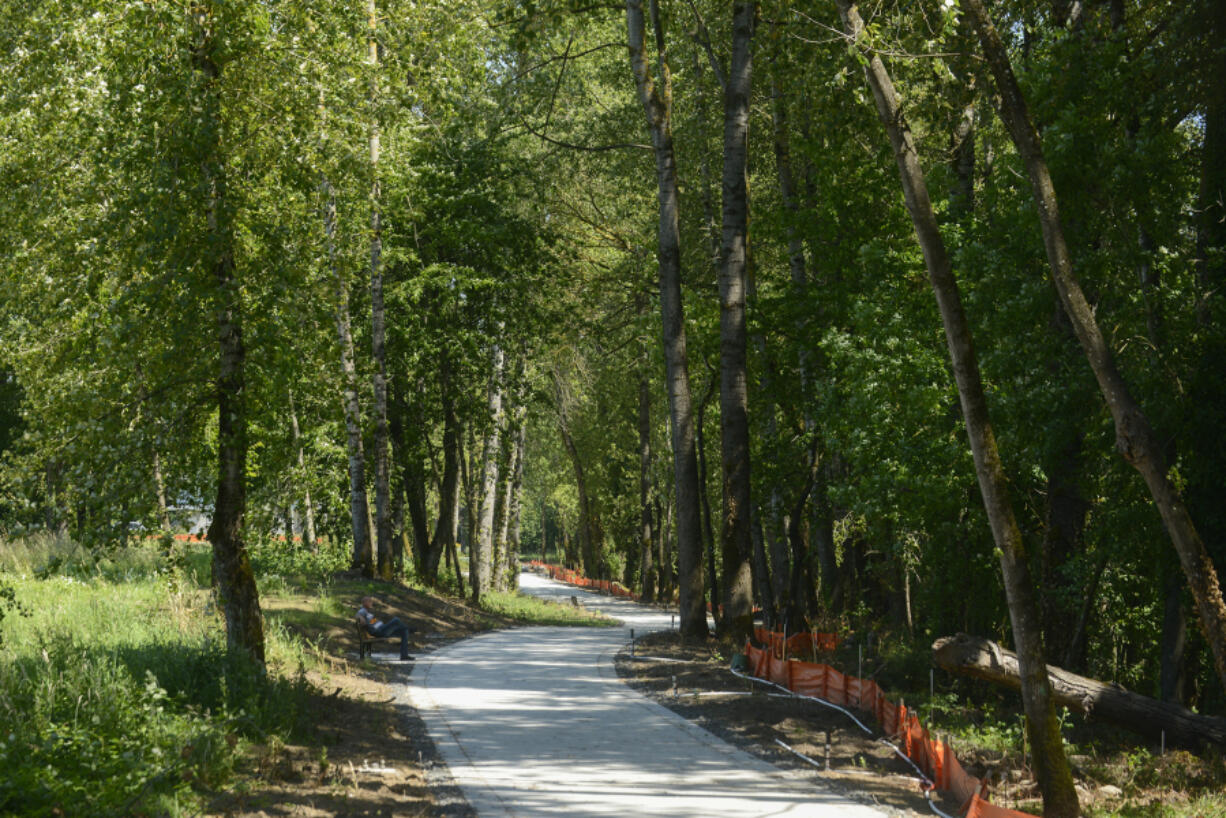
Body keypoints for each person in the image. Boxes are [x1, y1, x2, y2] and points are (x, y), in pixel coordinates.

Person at [356, 596, 415, 661]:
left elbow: (371, 622)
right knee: (396, 620)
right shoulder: (362, 610)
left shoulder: (368, 612)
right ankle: (409, 628)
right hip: (379, 631)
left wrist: (374, 622)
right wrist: (362, 620)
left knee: (404, 631)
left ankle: (404, 656)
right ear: (364, 603)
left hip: (382, 629)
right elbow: (358, 615)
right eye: (369, 601)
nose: (371, 602)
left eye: (371, 601)